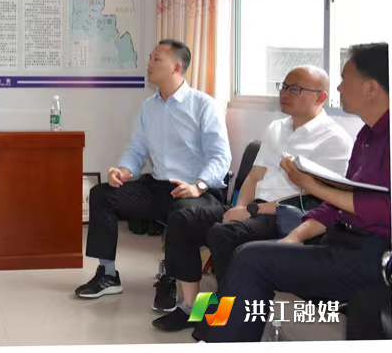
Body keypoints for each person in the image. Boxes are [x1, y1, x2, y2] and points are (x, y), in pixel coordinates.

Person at [192, 42, 391, 343]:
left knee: (238, 248)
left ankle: (218, 325)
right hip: (320, 230)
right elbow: (331, 204)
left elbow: (371, 206)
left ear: (372, 88)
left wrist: (306, 188)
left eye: (345, 79)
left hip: (350, 242)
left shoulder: (341, 139)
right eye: (283, 87)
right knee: (188, 220)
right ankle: (195, 310)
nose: (339, 88)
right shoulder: (364, 135)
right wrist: (290, 234)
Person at [152, 66, 354, 331]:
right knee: (183, 218)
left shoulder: (335, 140)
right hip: (254, 210)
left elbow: (314, 200)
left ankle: (228, 314)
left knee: (223, 234)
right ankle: (192, 308)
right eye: (283, 86)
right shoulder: (277, 128)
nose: (284, 93)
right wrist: (239, 209)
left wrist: (249, 212)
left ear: (321, 97)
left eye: (294, 88)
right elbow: (254, 176)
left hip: (288, 218)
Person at [75, 39, 231, 311]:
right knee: (102, 195)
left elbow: (221, 157)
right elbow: (137, 149)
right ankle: (108, 275)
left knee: (182, 214)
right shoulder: (149, 107)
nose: (149, 63)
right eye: (150, 57)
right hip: (158, 186)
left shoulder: (204, 105)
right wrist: (123, 171)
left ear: (177, 67)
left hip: (196, 191)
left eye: (156, 58)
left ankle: (173, 281)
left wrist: (198, 185)